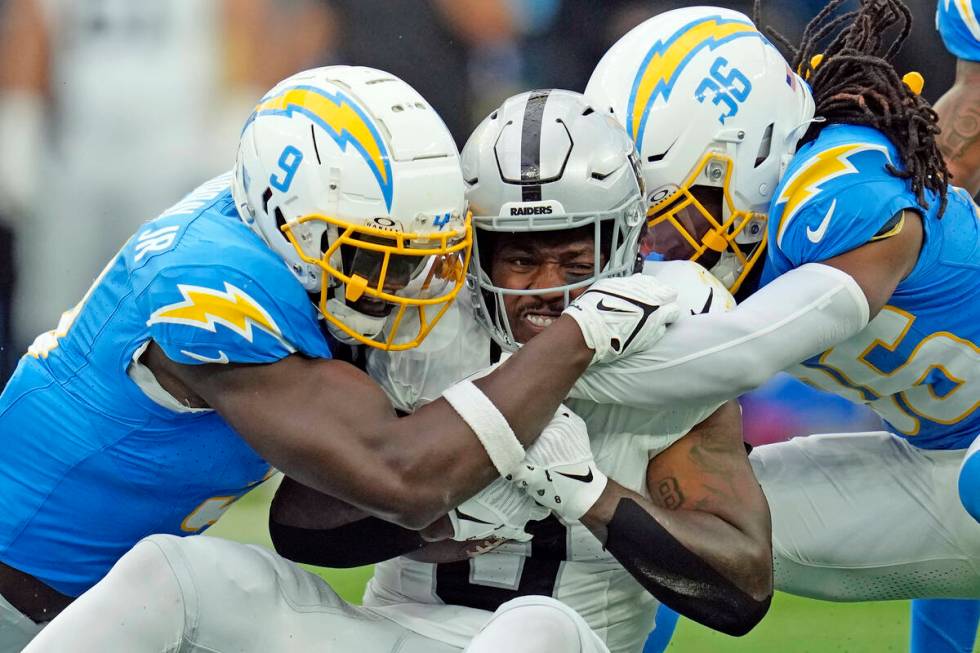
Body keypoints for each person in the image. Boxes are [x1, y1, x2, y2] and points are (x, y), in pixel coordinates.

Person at [19, 90, 771, 653]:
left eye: (575, 261)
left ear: (625, 245)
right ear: (474, 248)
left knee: (535, 625)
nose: (546, 287)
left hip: (568, 638)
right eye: (520, 255)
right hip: (392, 630)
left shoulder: (676, 334)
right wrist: (449, 512)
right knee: (170, 570)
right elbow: (301, 526)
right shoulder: (425, 326)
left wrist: (590, 493)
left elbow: (740, 586)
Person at [583, 2, 980, 651]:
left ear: (747, 159)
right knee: (667, 508)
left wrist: (579, 361)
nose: (647, 244)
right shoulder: (728, 244)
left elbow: (750, 346)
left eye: (662, 214)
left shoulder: (831, 189)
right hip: (942, 460)